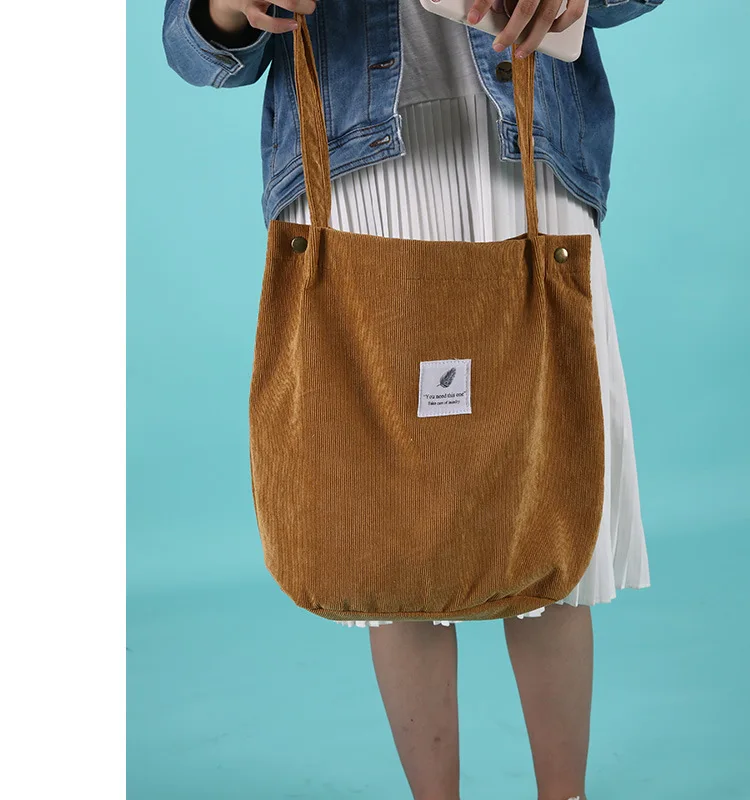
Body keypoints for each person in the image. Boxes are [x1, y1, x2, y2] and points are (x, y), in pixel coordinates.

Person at [162, 2, 664, 798]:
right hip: (358, 173)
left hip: (525, 149)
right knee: (390, 542)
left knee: (550, 516)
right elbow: (194, 46)